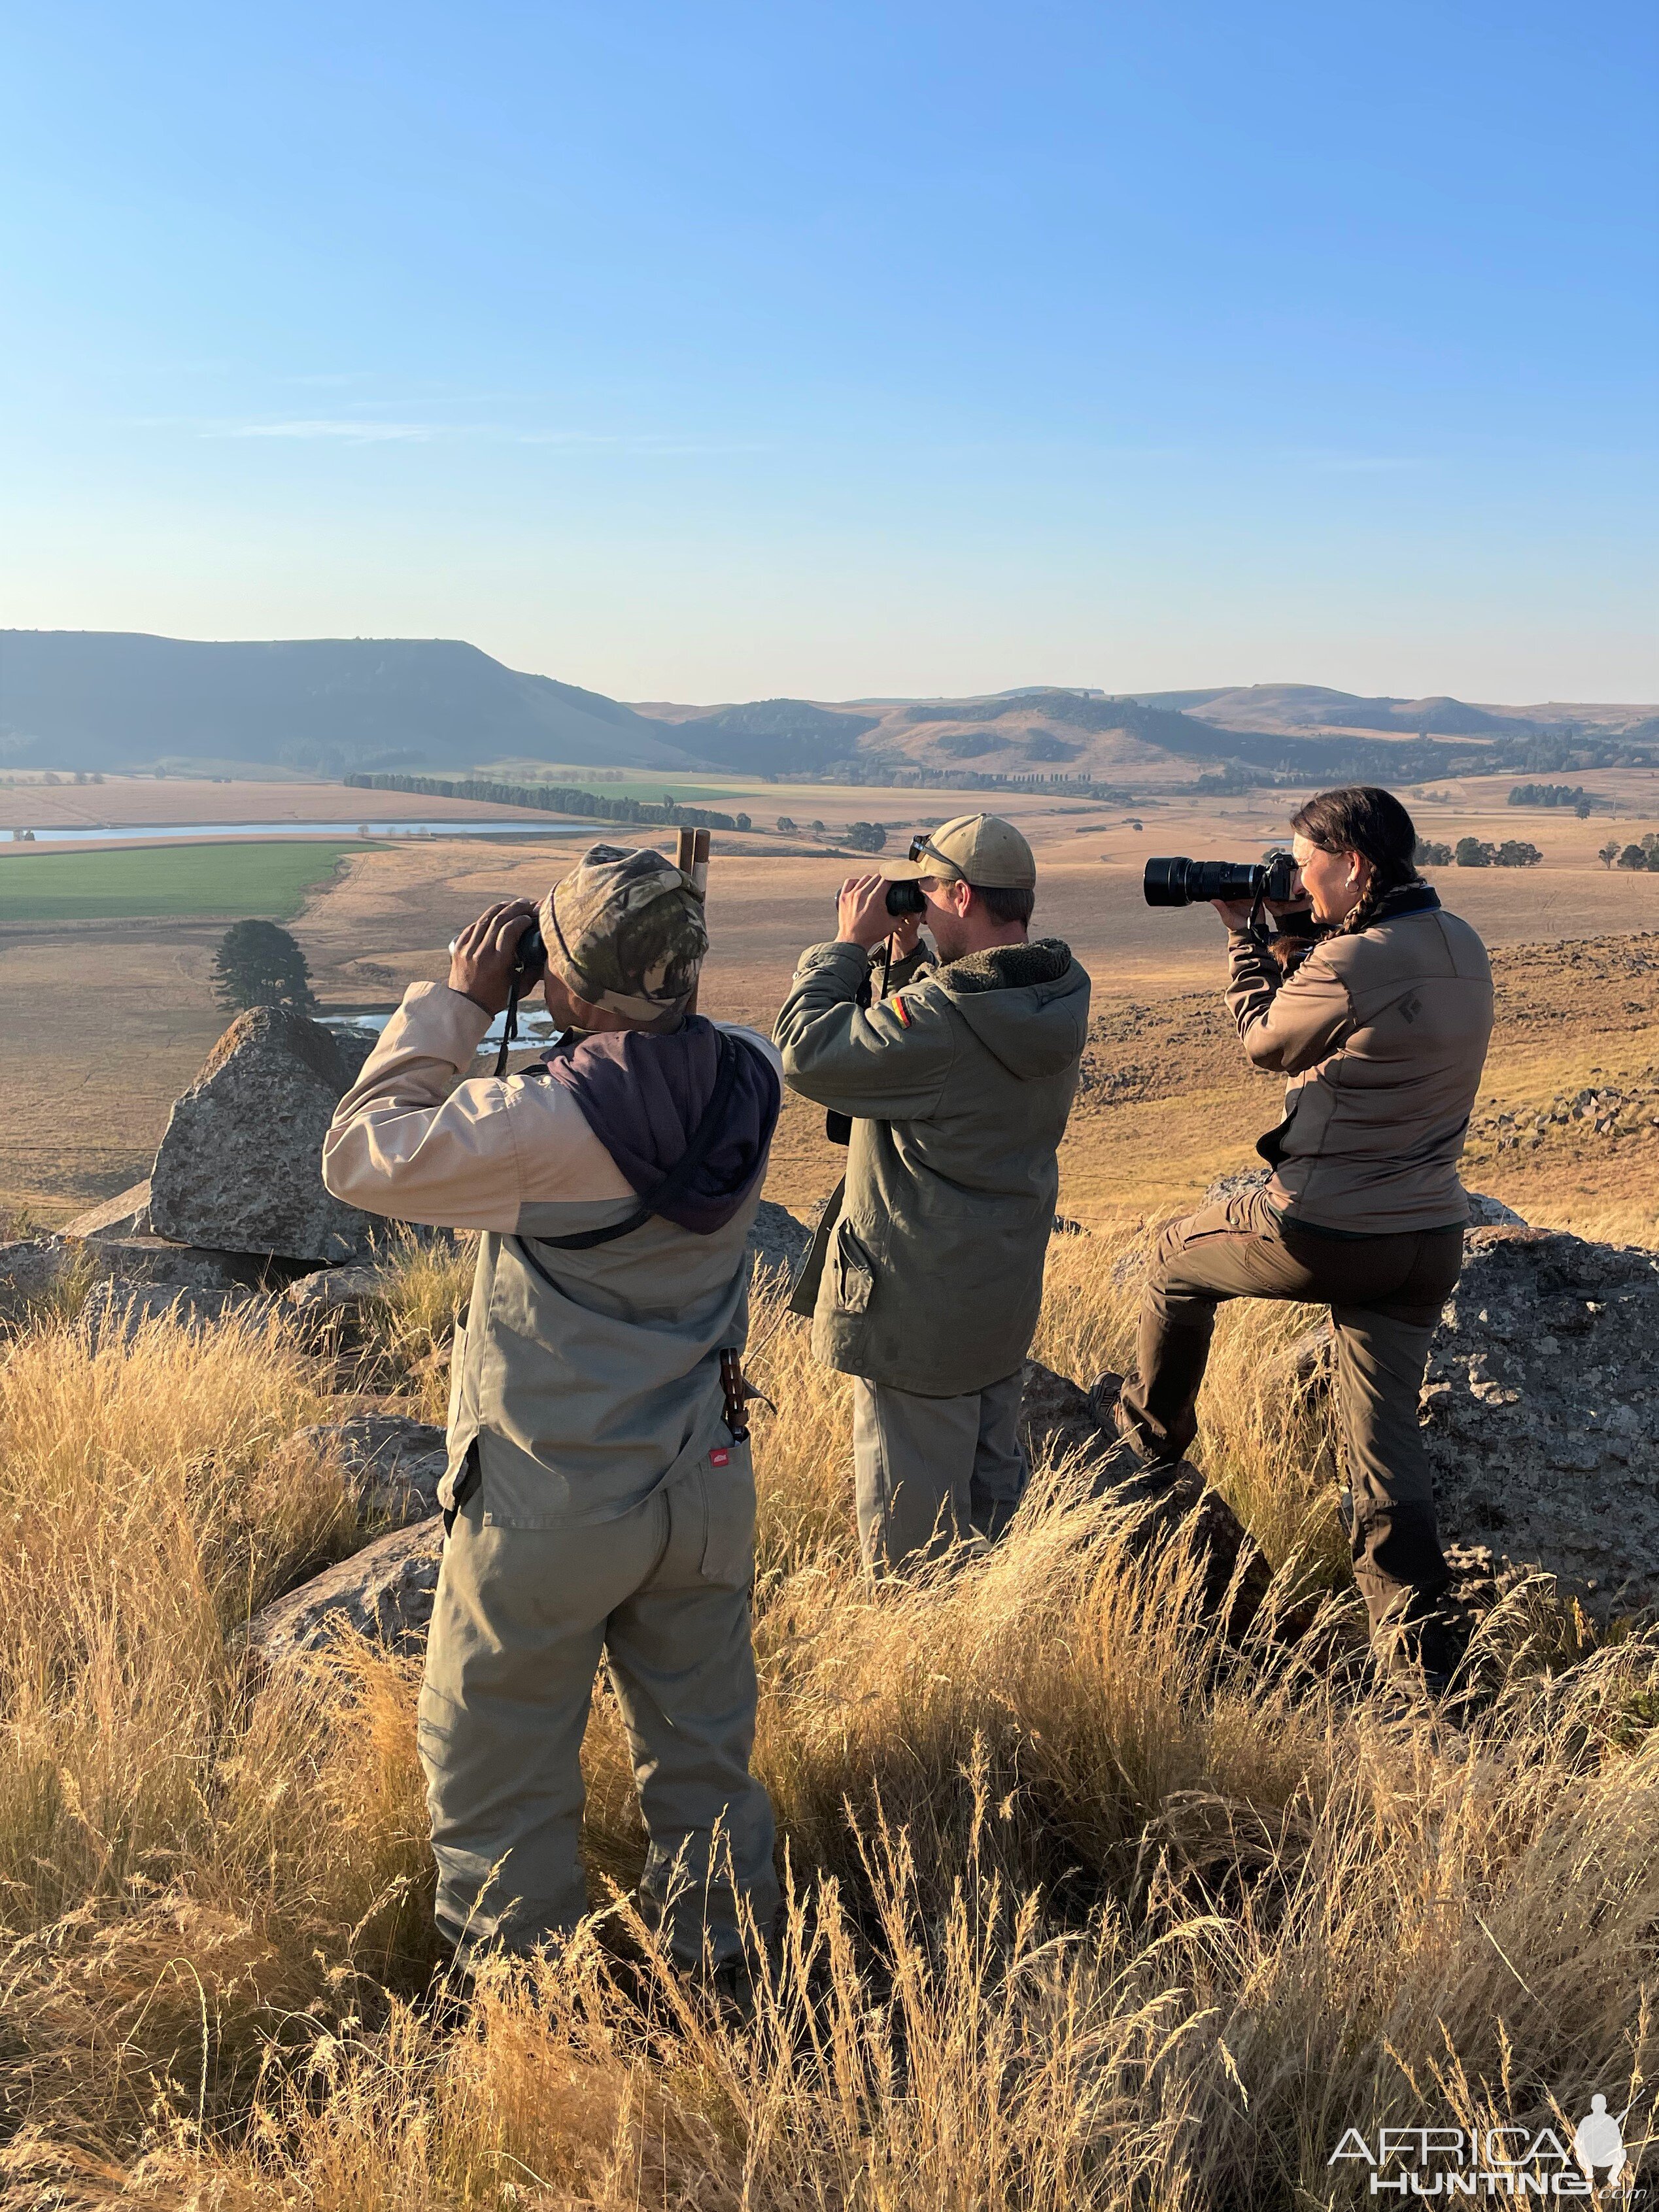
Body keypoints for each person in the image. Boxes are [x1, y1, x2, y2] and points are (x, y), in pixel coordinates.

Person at [322, 843, 781, 1969]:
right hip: (705, 1483)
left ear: (564, 982)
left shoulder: (535, 1131)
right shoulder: (753, 1074)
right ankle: (726, 1962)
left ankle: (527, 1996)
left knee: (498, 1747)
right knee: (703, 1749)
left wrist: (459, 1002)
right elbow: (663, 1046)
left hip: (555, 1495)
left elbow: (358, 1153)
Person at [1115, 786, 1494, 1686]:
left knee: (1172, 1260)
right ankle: (1422, 1669)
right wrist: (1297, 932)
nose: (1297, 876)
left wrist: (1246, 936)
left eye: (1305, 860)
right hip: (1426, 1235)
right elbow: (1357, 1009)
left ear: (1353, 861)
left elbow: (1267, 1043)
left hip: (1324, 1226)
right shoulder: (1460, 940)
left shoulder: (1356, 955)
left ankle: (1144, 1446)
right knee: (1382, 1448)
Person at [774, 814, 1091, 1574]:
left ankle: (941, 1686)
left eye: (928, 890)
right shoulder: (1050, 990)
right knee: (989, 1527)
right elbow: (947, 1038)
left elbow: (809, 1051)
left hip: (917, 1318)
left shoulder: (947, 1022)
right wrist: (912, 958)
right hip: (994, 1301)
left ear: (958, 892)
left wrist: (846, 947)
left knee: (912, 1561)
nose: (917, 901)